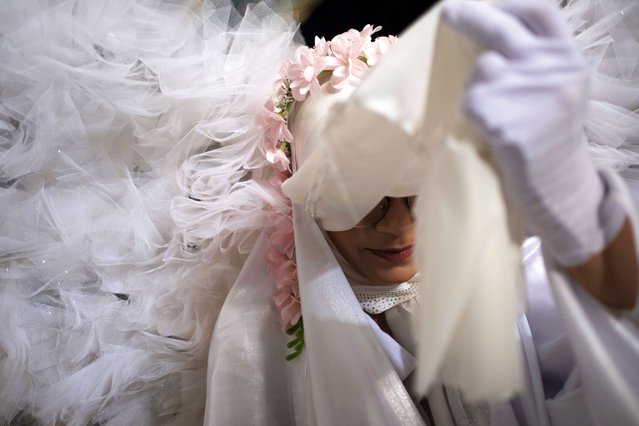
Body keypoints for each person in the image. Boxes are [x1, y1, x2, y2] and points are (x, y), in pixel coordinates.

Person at [206, 0, 639, 425]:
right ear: (305, 203)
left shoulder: (526, 275)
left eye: (420, 193)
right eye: (365, 201)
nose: (398, 226)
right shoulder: (255, 342)